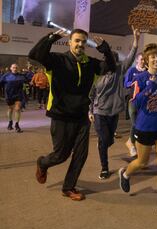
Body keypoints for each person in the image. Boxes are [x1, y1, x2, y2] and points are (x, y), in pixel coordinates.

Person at [29, 28, 116, 201]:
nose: (80, 44)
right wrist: (50, 38)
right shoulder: (57, 60)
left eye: (83, 41)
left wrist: (105, 49)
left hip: (82, 116)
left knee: (81, 154)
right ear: (69, 42)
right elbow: (35, 55)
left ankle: (68, 187)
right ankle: (43, 163)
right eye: (76, 40)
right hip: (61, 115)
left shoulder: (91, 63)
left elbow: (111, 67)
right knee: (61, 155)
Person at [118, 43, 157, 220]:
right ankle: (126, 173)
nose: (156, 59)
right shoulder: (141, 78)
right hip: (144, 127)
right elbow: (134, 103)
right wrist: (149, 87)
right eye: (153, 57)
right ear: (147, 59)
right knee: (142, 162)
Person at [89, 26, 140, 180]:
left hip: (114, 112)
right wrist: (90, 110)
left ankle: (104, 141)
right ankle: (104, 167)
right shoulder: (97, 75)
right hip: (99, 112)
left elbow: (131, 57)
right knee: (104, 140)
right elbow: (91, 95)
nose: (110, 61)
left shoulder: (119, 70)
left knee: (108, 140)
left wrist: (136, 40)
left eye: (113, 58)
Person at [124, 53, 146, 157]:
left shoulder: (147, 71)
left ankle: (131, 141)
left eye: (144, 60)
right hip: (132, 100)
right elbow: (126, 83)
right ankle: (131, 145)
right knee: (135, 123)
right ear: (137, 60)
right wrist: (134, 82)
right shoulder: (132, 70)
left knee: (140, 124)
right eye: (141, 59)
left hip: (143, 102)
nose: (143, 61)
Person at [0, 63, 26, 132]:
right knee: (10, 109)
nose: (15, 69)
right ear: (11, 68)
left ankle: (17, 125)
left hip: (18, 95)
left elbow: (27, 81)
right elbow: (1, 83)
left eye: (16, 68)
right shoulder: (6, 76)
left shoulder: (21, 76)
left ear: (18, 69)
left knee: (17, 109)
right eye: (13, 67)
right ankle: (10, 122)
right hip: (9, 95)